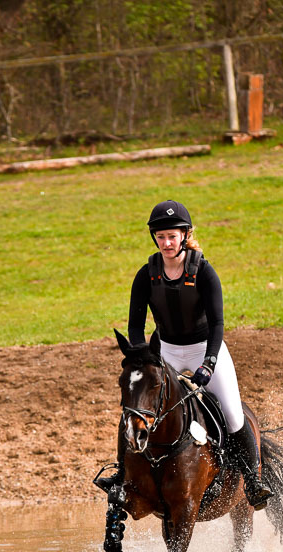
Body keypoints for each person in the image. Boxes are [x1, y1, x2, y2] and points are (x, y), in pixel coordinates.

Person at [97, 200, 273, 510]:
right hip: (166, 352)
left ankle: (254, 480)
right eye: (161, 237)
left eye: (172, 236)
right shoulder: (145, 275)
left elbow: (218, 324)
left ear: (184, 235)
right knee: (138, 409)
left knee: (233, 414)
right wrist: (143, 357)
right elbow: (135, 327)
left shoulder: (204, 272)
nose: (166, 243)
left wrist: (209, 363)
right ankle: (121, 474)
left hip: (205, 347)